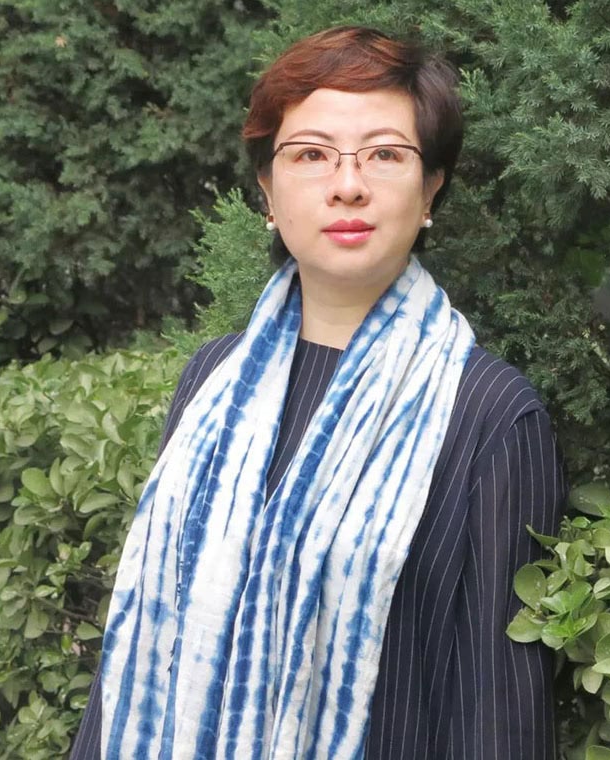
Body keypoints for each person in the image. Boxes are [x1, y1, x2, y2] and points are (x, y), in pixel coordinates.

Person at [71, 26, 565, 759]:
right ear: (268, 191)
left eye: (385, 154)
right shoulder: (214, 380)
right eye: (310, 154)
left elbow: (498, 715)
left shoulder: (490, 415)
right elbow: (140, 645)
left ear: (431, 188)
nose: (348, 184)